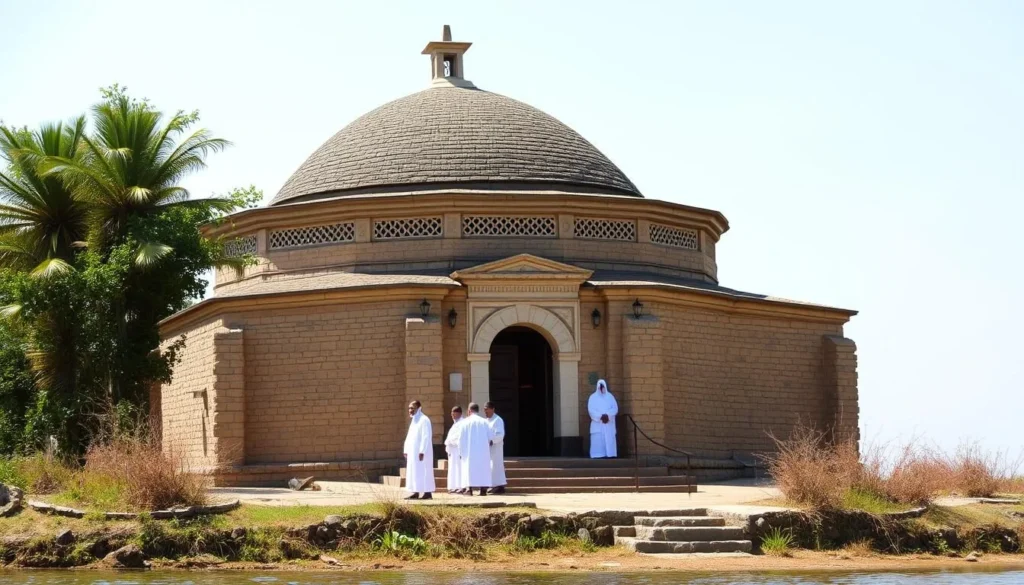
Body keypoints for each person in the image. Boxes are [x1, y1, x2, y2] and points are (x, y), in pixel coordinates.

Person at [454, 402, 494, 496]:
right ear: (478, 410)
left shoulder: (464, 423)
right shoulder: (485, 422)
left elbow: (460, 439)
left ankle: (469, 489)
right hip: (482, 451)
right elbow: (490, 437)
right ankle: (483, 489)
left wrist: (460, 451)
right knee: (482, 468)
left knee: (469, 469)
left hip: (469, 452)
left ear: (469, 411)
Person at [402, 400, 435, 499]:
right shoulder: (414, 421)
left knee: (424, 471)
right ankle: (415, 491)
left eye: (412, 408)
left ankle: (427, 492)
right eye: (409, 408)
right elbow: (409, 437)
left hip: (421, 453)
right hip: (413, 452)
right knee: (414, 471)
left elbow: (426, 436)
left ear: (418, 408)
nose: (410, 410)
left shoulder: (424, 420)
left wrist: (422, 451)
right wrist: (406, 450)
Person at [588, 379, 618, 458]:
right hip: (598, 424)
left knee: (609, 440)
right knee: (598, 441)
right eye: (600, 387)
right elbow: (591, 410)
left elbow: (615, 408)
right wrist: (600, 417)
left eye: (603, 387)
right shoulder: (592, 397)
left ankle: (610, 454)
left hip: (609, 424)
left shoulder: (610, 397)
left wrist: (608, 416)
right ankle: (597, 455)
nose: (602, 389)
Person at [484, 401, 507, 494]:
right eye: (484, 410)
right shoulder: (485, 421)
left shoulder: (498, 420)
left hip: (495, 447)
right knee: (490, 467)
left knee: (496, 466)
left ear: (492, 409)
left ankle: (499, 486)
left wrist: (492, 441)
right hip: (487, 449)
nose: (485, 412)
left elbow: (500, 434)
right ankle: (492, 485)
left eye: (487, 410)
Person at [443, 405, 466, 494]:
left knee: (459, 468)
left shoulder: (462, 423)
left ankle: (460, 486)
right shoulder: (455, 424)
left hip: (458, 450)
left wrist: (449, 441)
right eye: (452, 414)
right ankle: (454, 486)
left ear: (459, 413)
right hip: (452, 451)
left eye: (454, 413)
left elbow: (459, 437)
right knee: (453, 469)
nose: (452, 415)